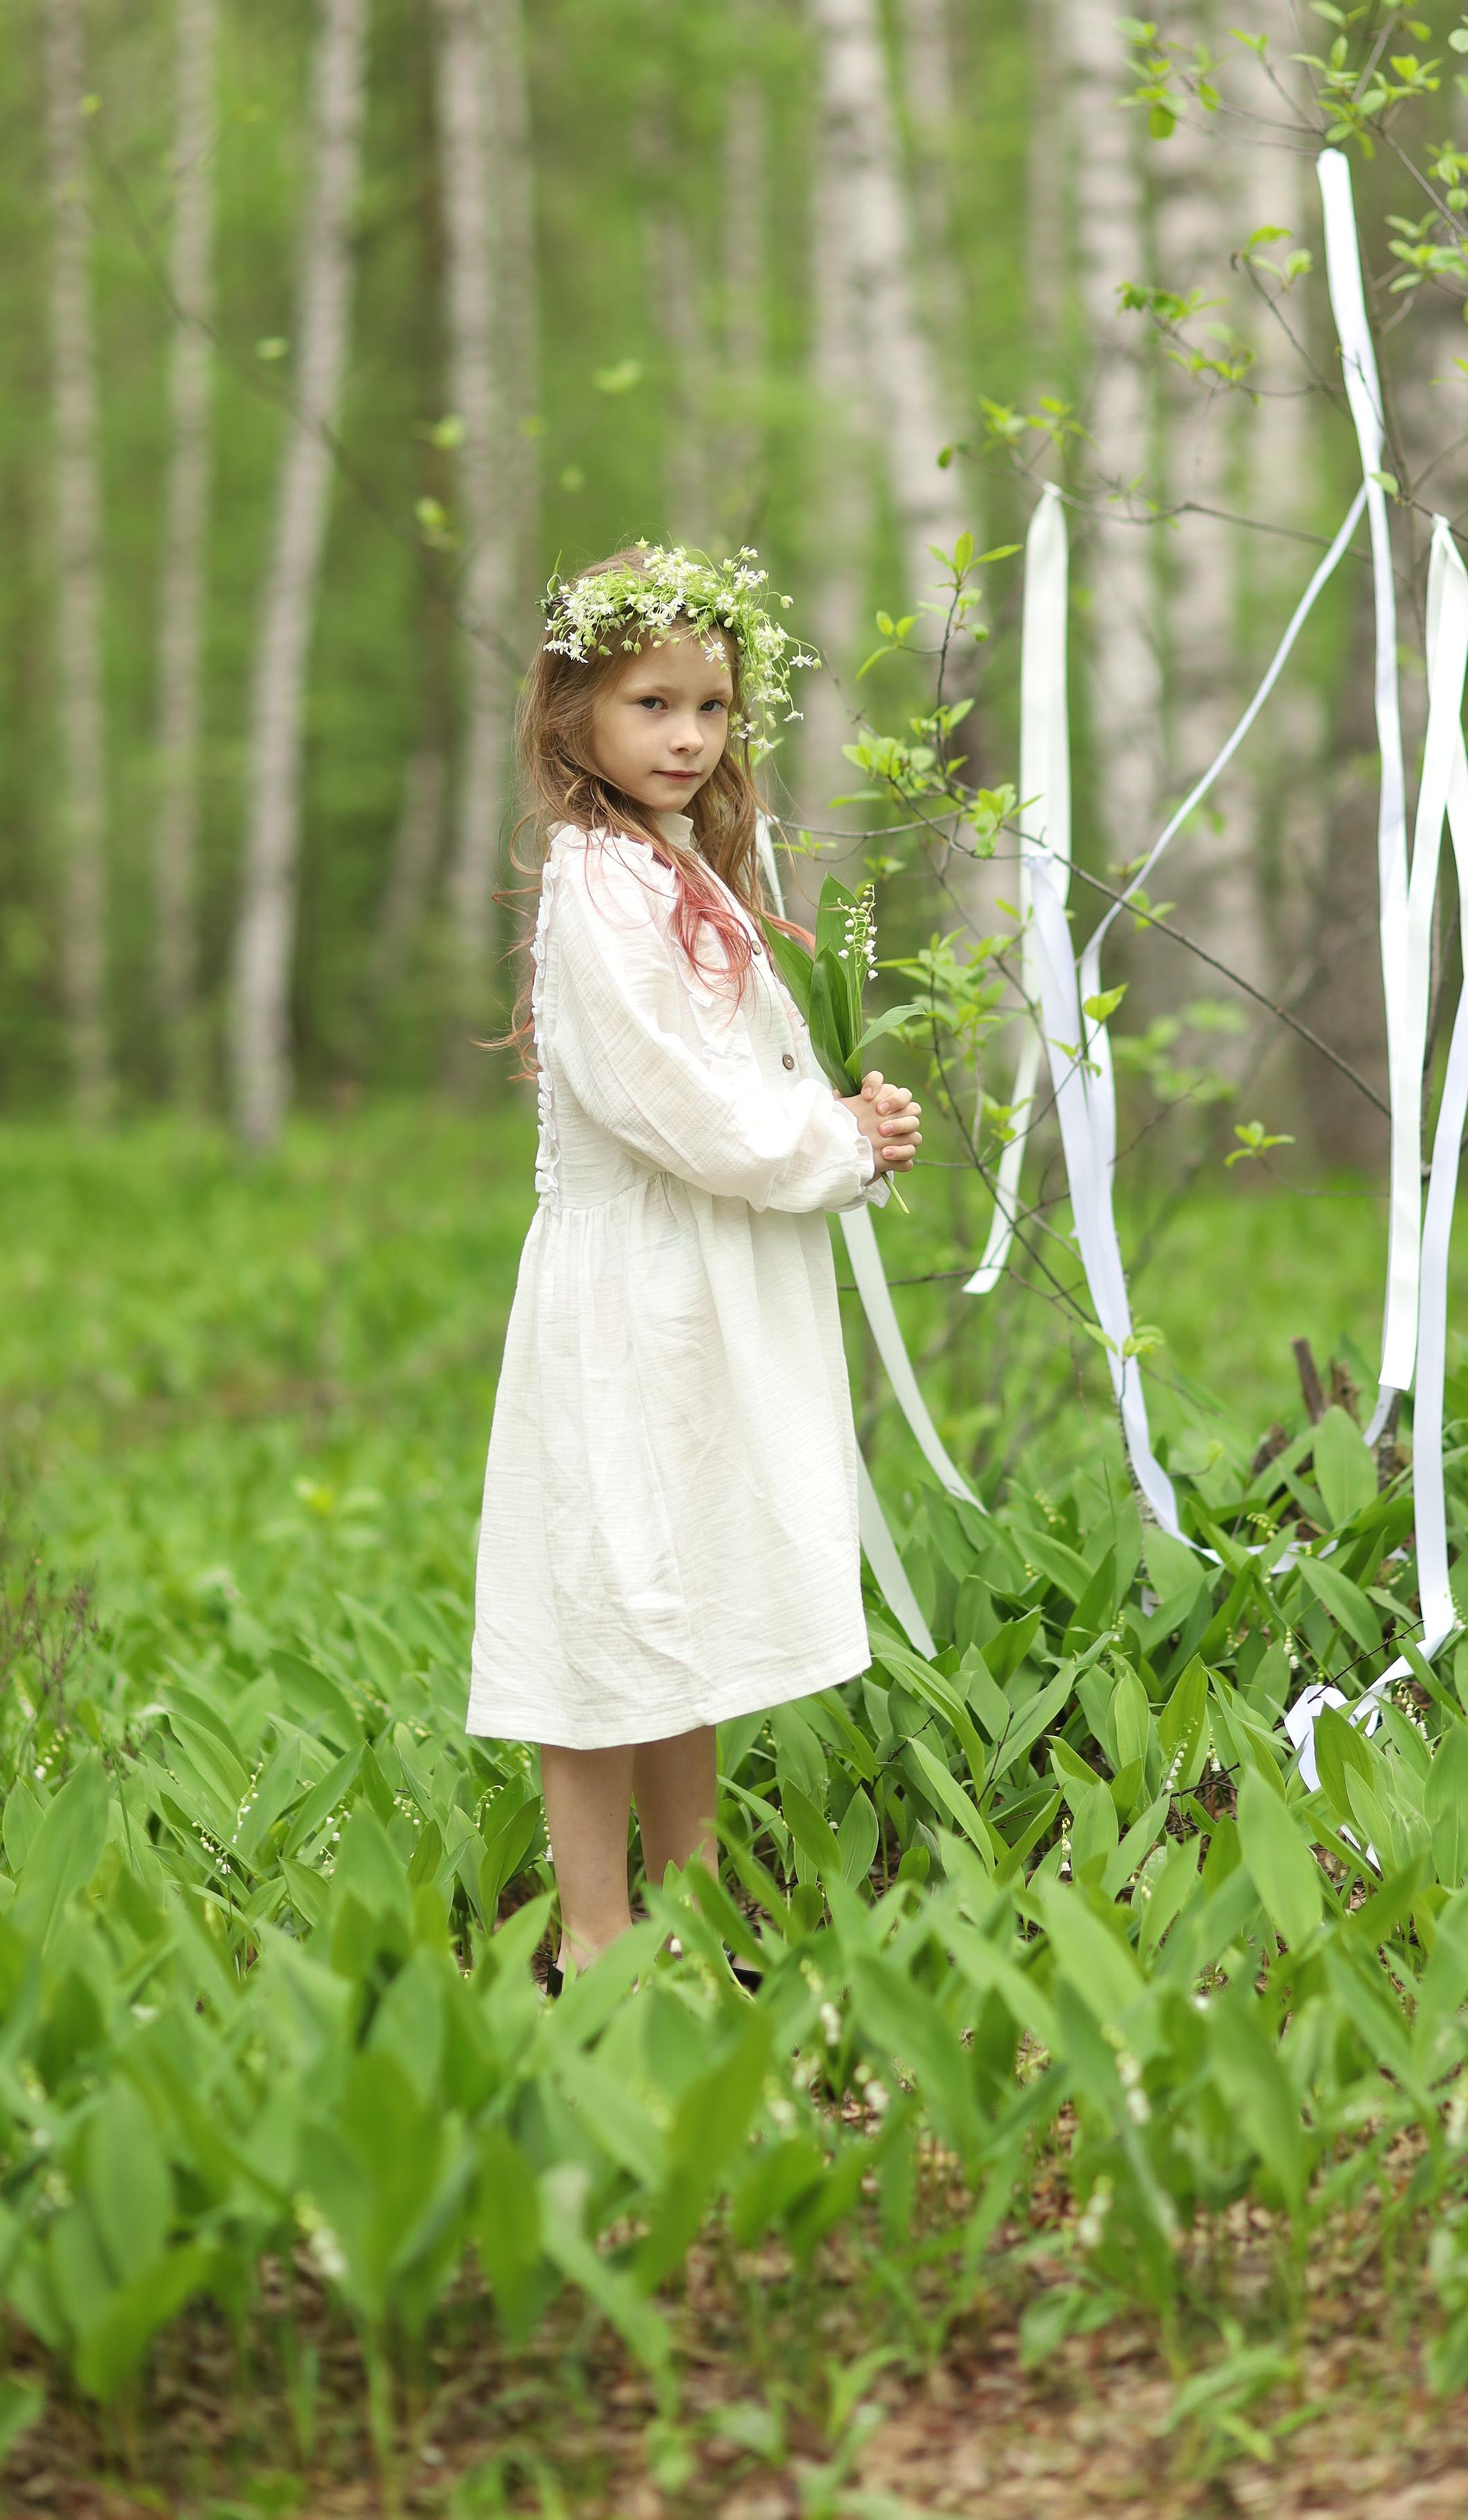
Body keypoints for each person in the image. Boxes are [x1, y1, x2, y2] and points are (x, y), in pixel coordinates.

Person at [466, 544, 921, 1985]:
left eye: (710, 709)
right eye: (651, 703)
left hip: (702, 1284)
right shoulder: (597, 883)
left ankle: (696, 1902)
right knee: (610, 1597)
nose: (684, 737)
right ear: (572, 714)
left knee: (687, 1593)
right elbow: (663, 1099)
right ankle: (594, 1935)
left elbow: (739, 1071)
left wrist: (848, 1115)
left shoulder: (674, 874)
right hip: (634, 1292)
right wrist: (825, 1145)